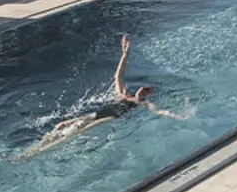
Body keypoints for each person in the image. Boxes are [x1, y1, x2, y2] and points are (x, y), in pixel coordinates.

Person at [35, 35, 181, 149]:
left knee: (75, 132)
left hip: (109, 117)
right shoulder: (125, 94)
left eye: (146, 89)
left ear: (149, 93)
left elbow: (159, 112)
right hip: (96, 114)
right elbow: (118, 75)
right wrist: (125, 54)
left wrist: (176, 115)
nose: (142, 89)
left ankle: (42, 151)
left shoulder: (144, 103)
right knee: (61, 125)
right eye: (142, 87)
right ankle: (38, 146)